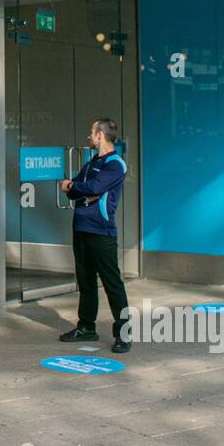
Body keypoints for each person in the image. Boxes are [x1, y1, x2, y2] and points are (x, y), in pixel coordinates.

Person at [59, 118, 131, 353]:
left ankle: (123, 334)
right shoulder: (91, 164)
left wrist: (75, 187)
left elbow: (93, 188)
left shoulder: (115, 164)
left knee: (112, 284)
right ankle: (86, 327)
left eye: (92, 132)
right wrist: (77, 188)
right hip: (80, 229)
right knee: (86, 282)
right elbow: (76, 191)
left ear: (101, 135)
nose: (89, 137)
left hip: (101, 233)